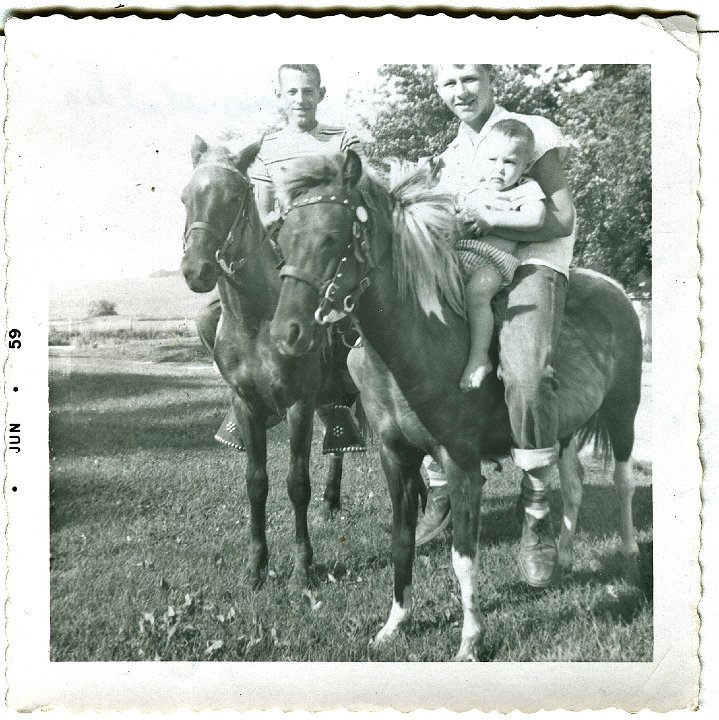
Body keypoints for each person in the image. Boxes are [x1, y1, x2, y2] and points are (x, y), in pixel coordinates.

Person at [415, 65, 576, 590]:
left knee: (527, 375)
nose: (460, 91)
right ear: (437, 91)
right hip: (467, 262)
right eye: (448, 82)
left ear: (491, 81)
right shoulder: (448, 156)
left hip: (530, 262)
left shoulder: (534, 130)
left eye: (470, 77)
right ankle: (438, 476)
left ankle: (536, 513)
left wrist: (487, 222)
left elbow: (561, 218)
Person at [197, 64, 363, 451]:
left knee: (342, 321)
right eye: (291, 92)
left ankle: (337, 402)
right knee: (207, 316)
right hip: (279, 254)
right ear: (279, 97)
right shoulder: (268, 148)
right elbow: (263, 210)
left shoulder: (342, 139)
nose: (300, 99)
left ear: (321, 94)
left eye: (308, 91)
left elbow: (357, 193)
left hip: (326, 254)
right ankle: (242, 393)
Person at [452, 119, 547, 391]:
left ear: (525, 167)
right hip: (459, 255)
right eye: (492, 159)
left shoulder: (524, 189)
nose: (499, 169)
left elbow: (536, 218)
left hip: (493, 261)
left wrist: (492, 219)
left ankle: (479, 357)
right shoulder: (473, 188)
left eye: (509, 162)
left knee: (478, 293)